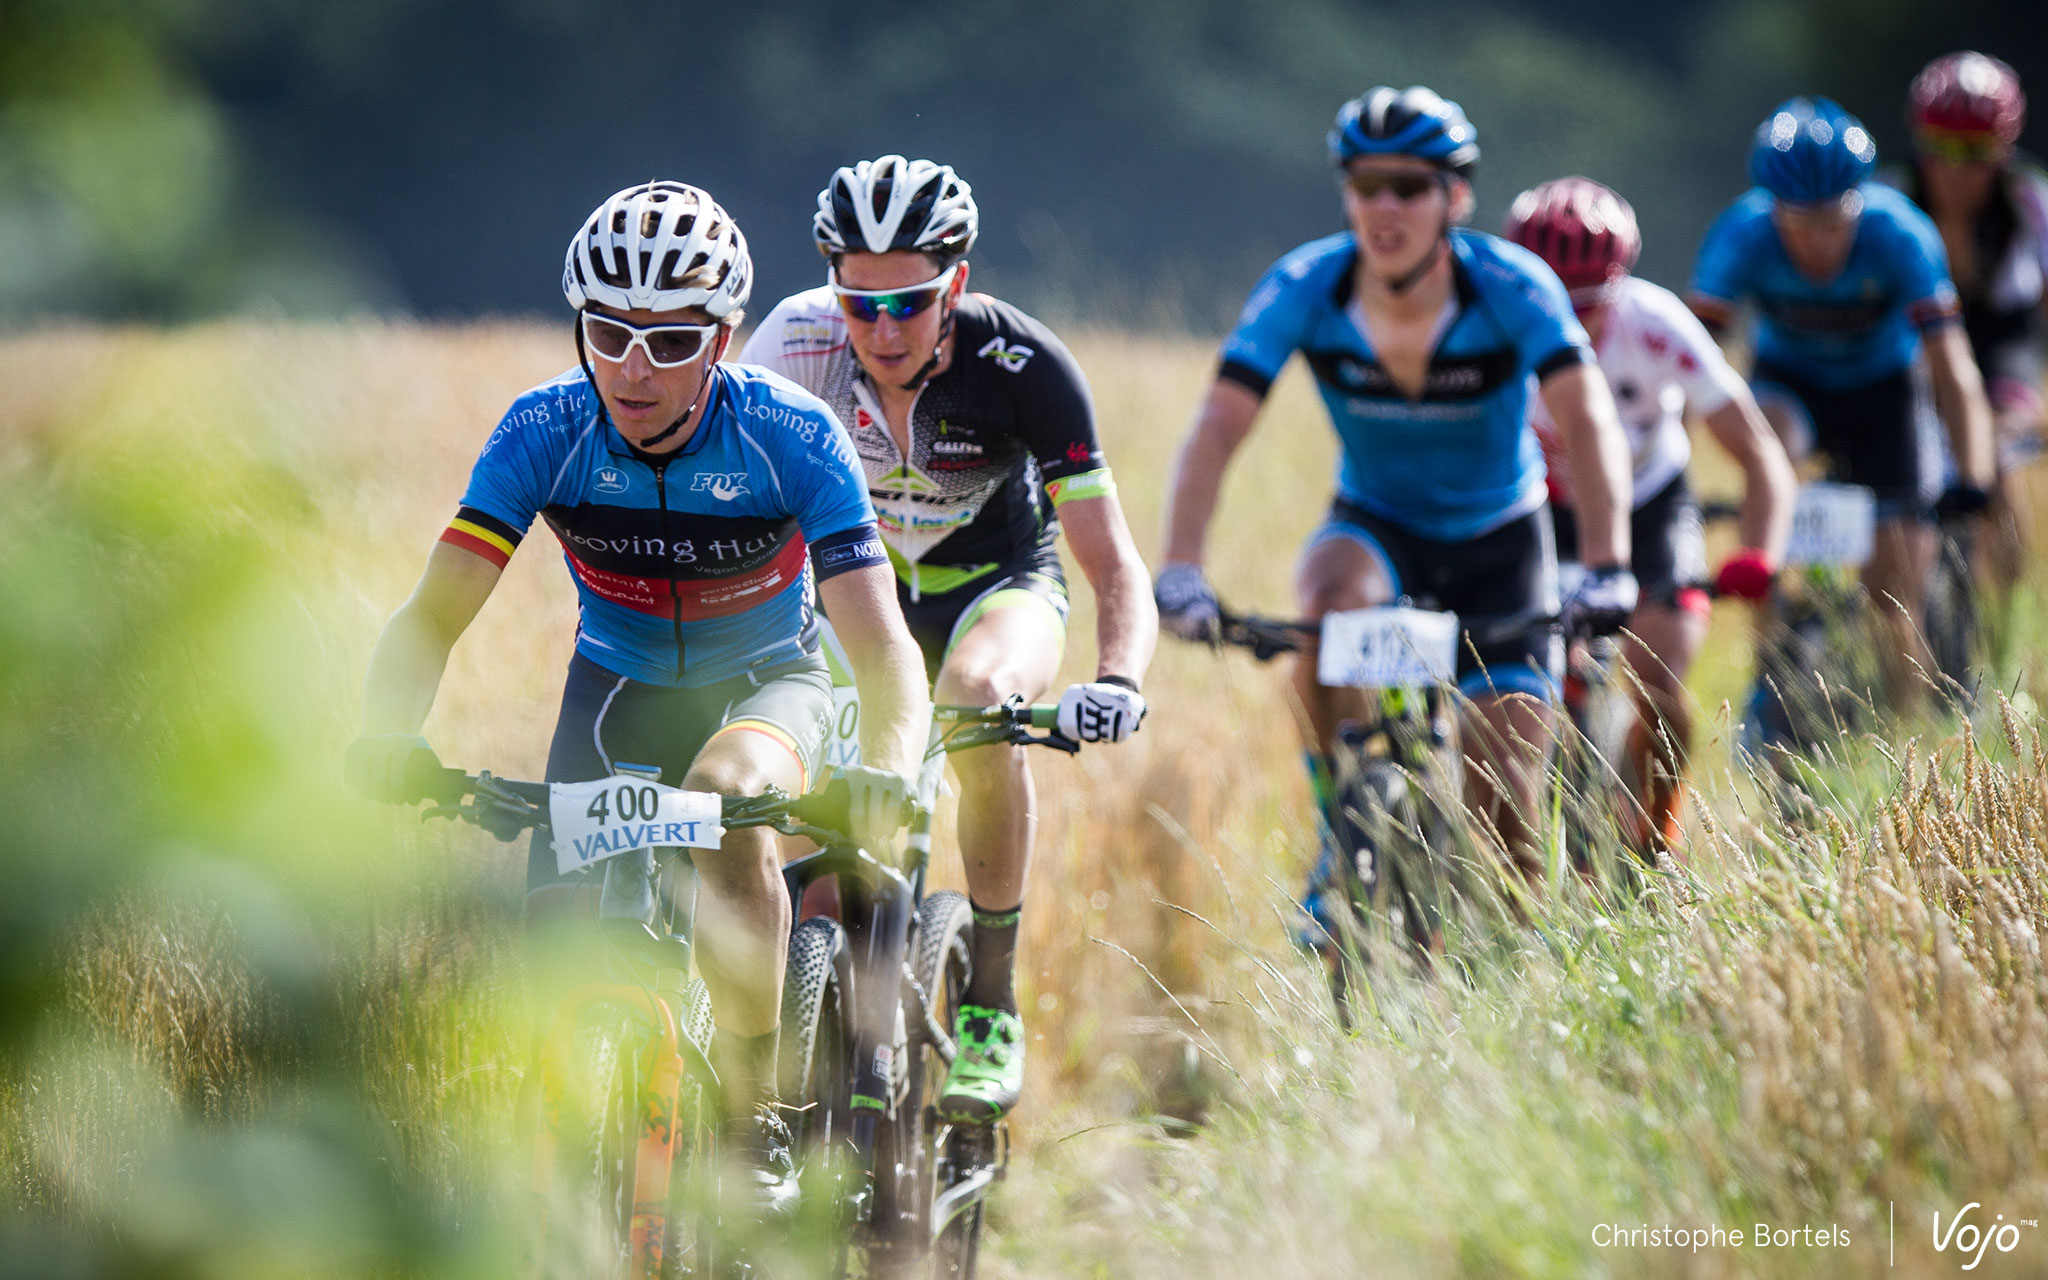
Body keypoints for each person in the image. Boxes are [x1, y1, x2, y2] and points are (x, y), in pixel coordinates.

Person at [344, 181, 931, 1205]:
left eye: (668, 341)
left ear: (723, 337)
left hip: (770, 680)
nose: (631, 367)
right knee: (549, 958)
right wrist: (379, 735)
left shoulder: (788, 435)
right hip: (615, 686)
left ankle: (753, 1121)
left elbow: (881, 648)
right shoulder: (545, 428)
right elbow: (432, 613)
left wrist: (884, 765)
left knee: (722, 801)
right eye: (608, 332)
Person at [1154, 86, 1638, 927]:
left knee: (1509, 824)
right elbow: (1217, 426)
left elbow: (1588, 423)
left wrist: (1607, 566)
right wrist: (1182, 571)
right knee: (1326, 605)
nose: (1384, 207)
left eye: (1409, 187)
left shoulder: (1510, 284)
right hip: (1377, 525)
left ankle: (1501, 990)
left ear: (1454, 197)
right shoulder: (1308, 284)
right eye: (1365, 184)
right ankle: (1336, 825)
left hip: (1501, 540)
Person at [739, 156, 1157, 1123]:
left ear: (956, 285)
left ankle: (991, 1001)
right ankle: (797, 1027)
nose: (882, 329)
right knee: (808, 794)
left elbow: (1113, 561)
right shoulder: (796, 342)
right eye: (859, 303)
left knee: (975, 696)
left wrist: (1119, 676)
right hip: (859, 594)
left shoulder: (1024, 366)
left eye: (911, 302)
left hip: (995, 587)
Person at [1505, 177, 1796, 856]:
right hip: (1543, 511)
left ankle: (1652, 847)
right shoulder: (1496, 327)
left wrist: (1760, 554)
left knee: (1660, 687)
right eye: (1557, 301)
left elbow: (1760, 451)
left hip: (1650, 509)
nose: (1574, 323)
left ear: (1621, 283)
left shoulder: (1657, 324)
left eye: (1592, 305)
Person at [1689, 97, 1996, 705]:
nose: (1821, 242)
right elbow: (1688, 364)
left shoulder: (1900, 232)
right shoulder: (1741, 234)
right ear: (1772, 209)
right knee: (1768, 449)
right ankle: (1770, 668)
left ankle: (1902, 720)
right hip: (1791, 388)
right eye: (1800, 224)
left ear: (1860, 200)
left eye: (1835, 221)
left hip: (1885, 393)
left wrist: (1974, 478)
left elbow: (1952, 368)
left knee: (1894, 596)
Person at [1890, 51, 2048, 590]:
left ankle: (2002, 626)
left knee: (1997, 457)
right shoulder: (1892, 199)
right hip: (1918, 348)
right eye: (1939, 150)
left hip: (2002, 343)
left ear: (2003, 149)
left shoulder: (2028, 201)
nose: (1954, 170)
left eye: (1974, 153)